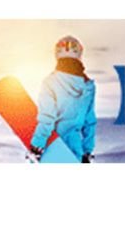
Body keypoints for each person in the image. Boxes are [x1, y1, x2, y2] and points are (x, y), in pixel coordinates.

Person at [29, 35, 97, 163]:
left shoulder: (50, 82)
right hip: (75, 149)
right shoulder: (88, 86)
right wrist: (88, 151)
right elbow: (89, 122)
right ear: (79, 55)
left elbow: (47, 118)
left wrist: (37, 145)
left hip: (52, 147)